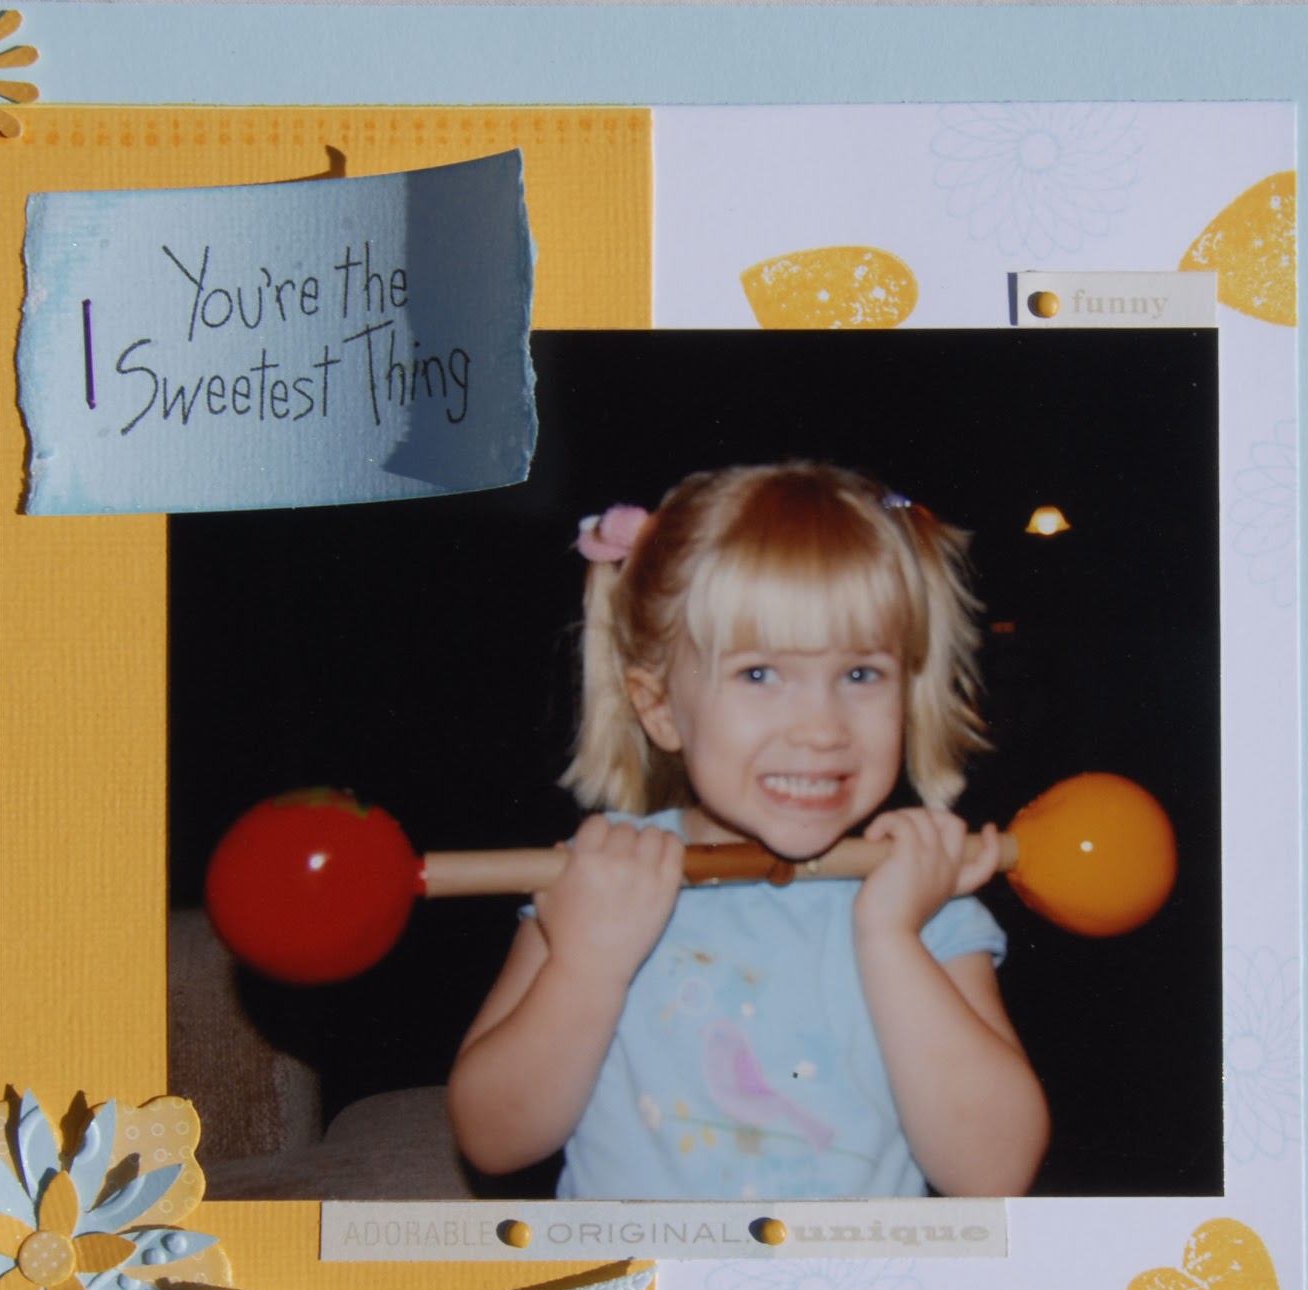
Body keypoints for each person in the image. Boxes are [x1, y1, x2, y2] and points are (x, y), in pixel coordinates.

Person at [446, 463, 1049, 1199]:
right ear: (659, 707)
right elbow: (492, 1139)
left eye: (861, 674)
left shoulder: (925, 896)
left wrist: (892, 935)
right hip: (640, 1272)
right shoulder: (600, 879)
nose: (822, 728)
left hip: (857, 1275)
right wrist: (586, 966)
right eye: (760, 674)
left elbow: (994, 1175)